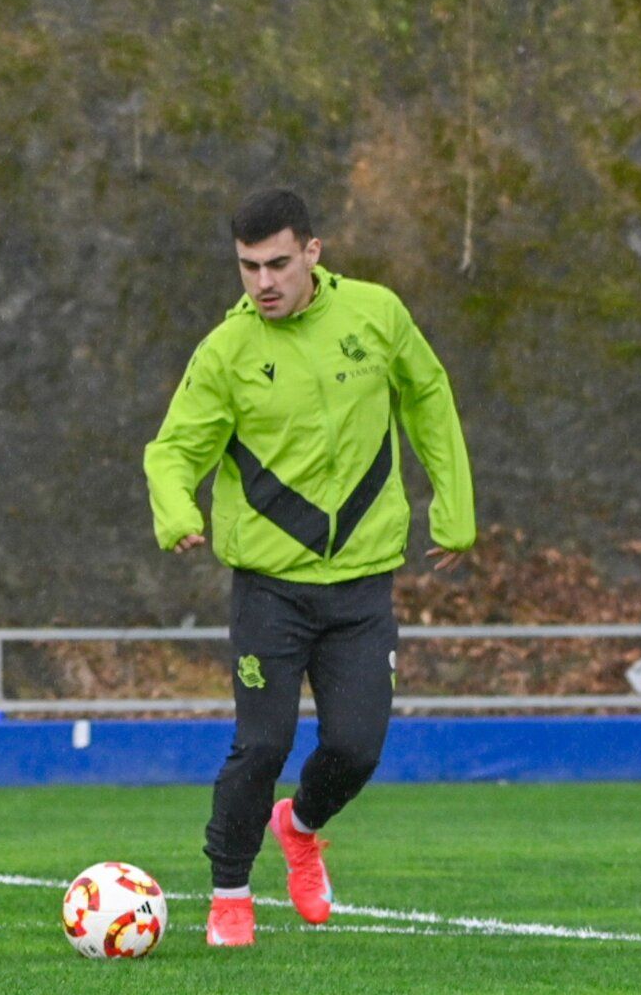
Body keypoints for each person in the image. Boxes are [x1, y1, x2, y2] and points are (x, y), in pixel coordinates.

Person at [143, 189, 474, 948]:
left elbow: (426, 393)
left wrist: (451, 508)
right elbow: (172, 450)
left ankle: (300, 824)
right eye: (247, 266)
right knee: (260, 744)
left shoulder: (376, 315)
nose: (262, 282)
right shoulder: (225, 352)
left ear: (313, 253)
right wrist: (175, 510)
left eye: (278, 264)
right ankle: (230, 892)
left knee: (357, 747)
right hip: (270, 589)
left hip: (361, 584)